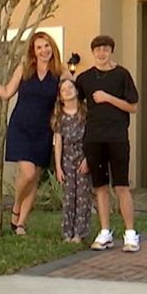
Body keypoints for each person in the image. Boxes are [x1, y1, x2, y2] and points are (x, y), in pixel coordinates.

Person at [0, 31, 70, 235]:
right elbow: (5, 93)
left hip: (44, 130)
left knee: (35, 177)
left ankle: (20, 223)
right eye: (39, 47)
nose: (44, 50)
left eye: (46, 46)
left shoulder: (61, 72)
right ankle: (15, 207)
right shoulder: (24, 69)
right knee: (28, 173)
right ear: (33, 50)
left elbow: (73, 92)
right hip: (21, 126)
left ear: (52, 47)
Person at [75, 35, 141, 252]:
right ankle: (105, 232)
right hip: (94, 138)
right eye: (97, 50)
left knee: (121, 186)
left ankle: (130, 233)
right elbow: (73, 101)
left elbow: (133, 107)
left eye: (105, 49)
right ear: (92, 52)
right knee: (100, 187)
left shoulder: (122, 75)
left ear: (111, 51)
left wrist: (108, 98)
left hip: (117, 137)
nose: (101, 54)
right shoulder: (85, 78)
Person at [51, 78, 91, 243]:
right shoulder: (59, 117)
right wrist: (58, 167)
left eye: (70, 87)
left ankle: (79, 233)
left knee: (83, 196)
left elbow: (90, 137)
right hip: (67, 158)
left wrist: (87, 159)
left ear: (76, 90)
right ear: (60, 96)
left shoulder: (85, 113)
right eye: (63, 89)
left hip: (83, 156)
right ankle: (67, 232)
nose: (67, 90)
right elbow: (58, 142)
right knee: (69, 197)